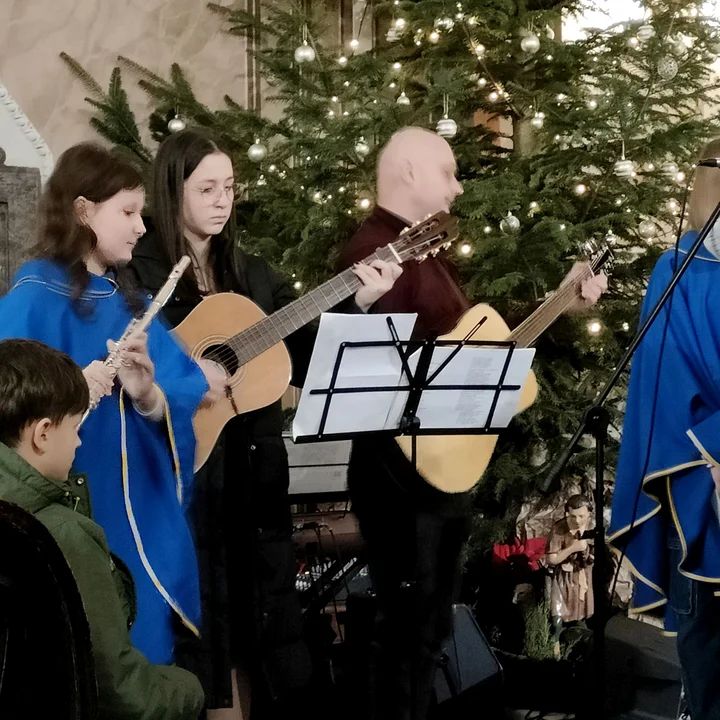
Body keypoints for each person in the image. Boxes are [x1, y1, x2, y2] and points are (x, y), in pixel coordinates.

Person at [336, 126, 608, 720]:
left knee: (425, 631)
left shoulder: (422, 251)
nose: (459, 187)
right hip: (401, 476)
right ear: (408, 171)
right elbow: (390, 368)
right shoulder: (373, 252)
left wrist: (561, 300)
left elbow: (471, 351)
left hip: (436, 477)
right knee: (406, 634)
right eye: (448, 172)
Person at [129, 128, 401, 718]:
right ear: (172, 191)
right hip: (183, 481)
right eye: (207, 188)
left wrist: (358, 302)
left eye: (228, 187)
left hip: (254, 488)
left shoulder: (254, 275)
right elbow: (132, 355)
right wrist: (188, 372)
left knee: (260, 638)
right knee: (200, 639)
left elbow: (302, 356)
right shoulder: (140, 273)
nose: (223, 200)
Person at [0, 143, 220, 667]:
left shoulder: (133, 302)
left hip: (137, 508)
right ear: (82, 211)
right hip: (67, 513)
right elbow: (8, 400)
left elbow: (191, 387)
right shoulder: (32, 294)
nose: (141, 227)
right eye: (126, 211)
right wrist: (74, 384)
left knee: (143, 660)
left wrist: (148, 395)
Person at [0, 338, 205, 719]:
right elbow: (122, 692)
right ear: (42, 434)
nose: (79, 442)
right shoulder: (60, 533)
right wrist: (189, 688)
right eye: (76, 428)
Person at [608, 137, 720, 720]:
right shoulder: (675, 273)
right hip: (697, 487)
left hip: (705, 467)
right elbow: (662, 384)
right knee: (706, 651)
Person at [545, 494, 594, 657]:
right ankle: (555, 645)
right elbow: (551, 559)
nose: (578, 521)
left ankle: (583, 647)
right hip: (564, 579)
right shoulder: (559, 529)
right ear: (567, 513)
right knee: (558, 614)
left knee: (580, 613)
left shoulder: (591, 527)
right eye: (573, 516)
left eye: (582, 516)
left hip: (582, 577)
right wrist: (572, 548)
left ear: (589, 514)